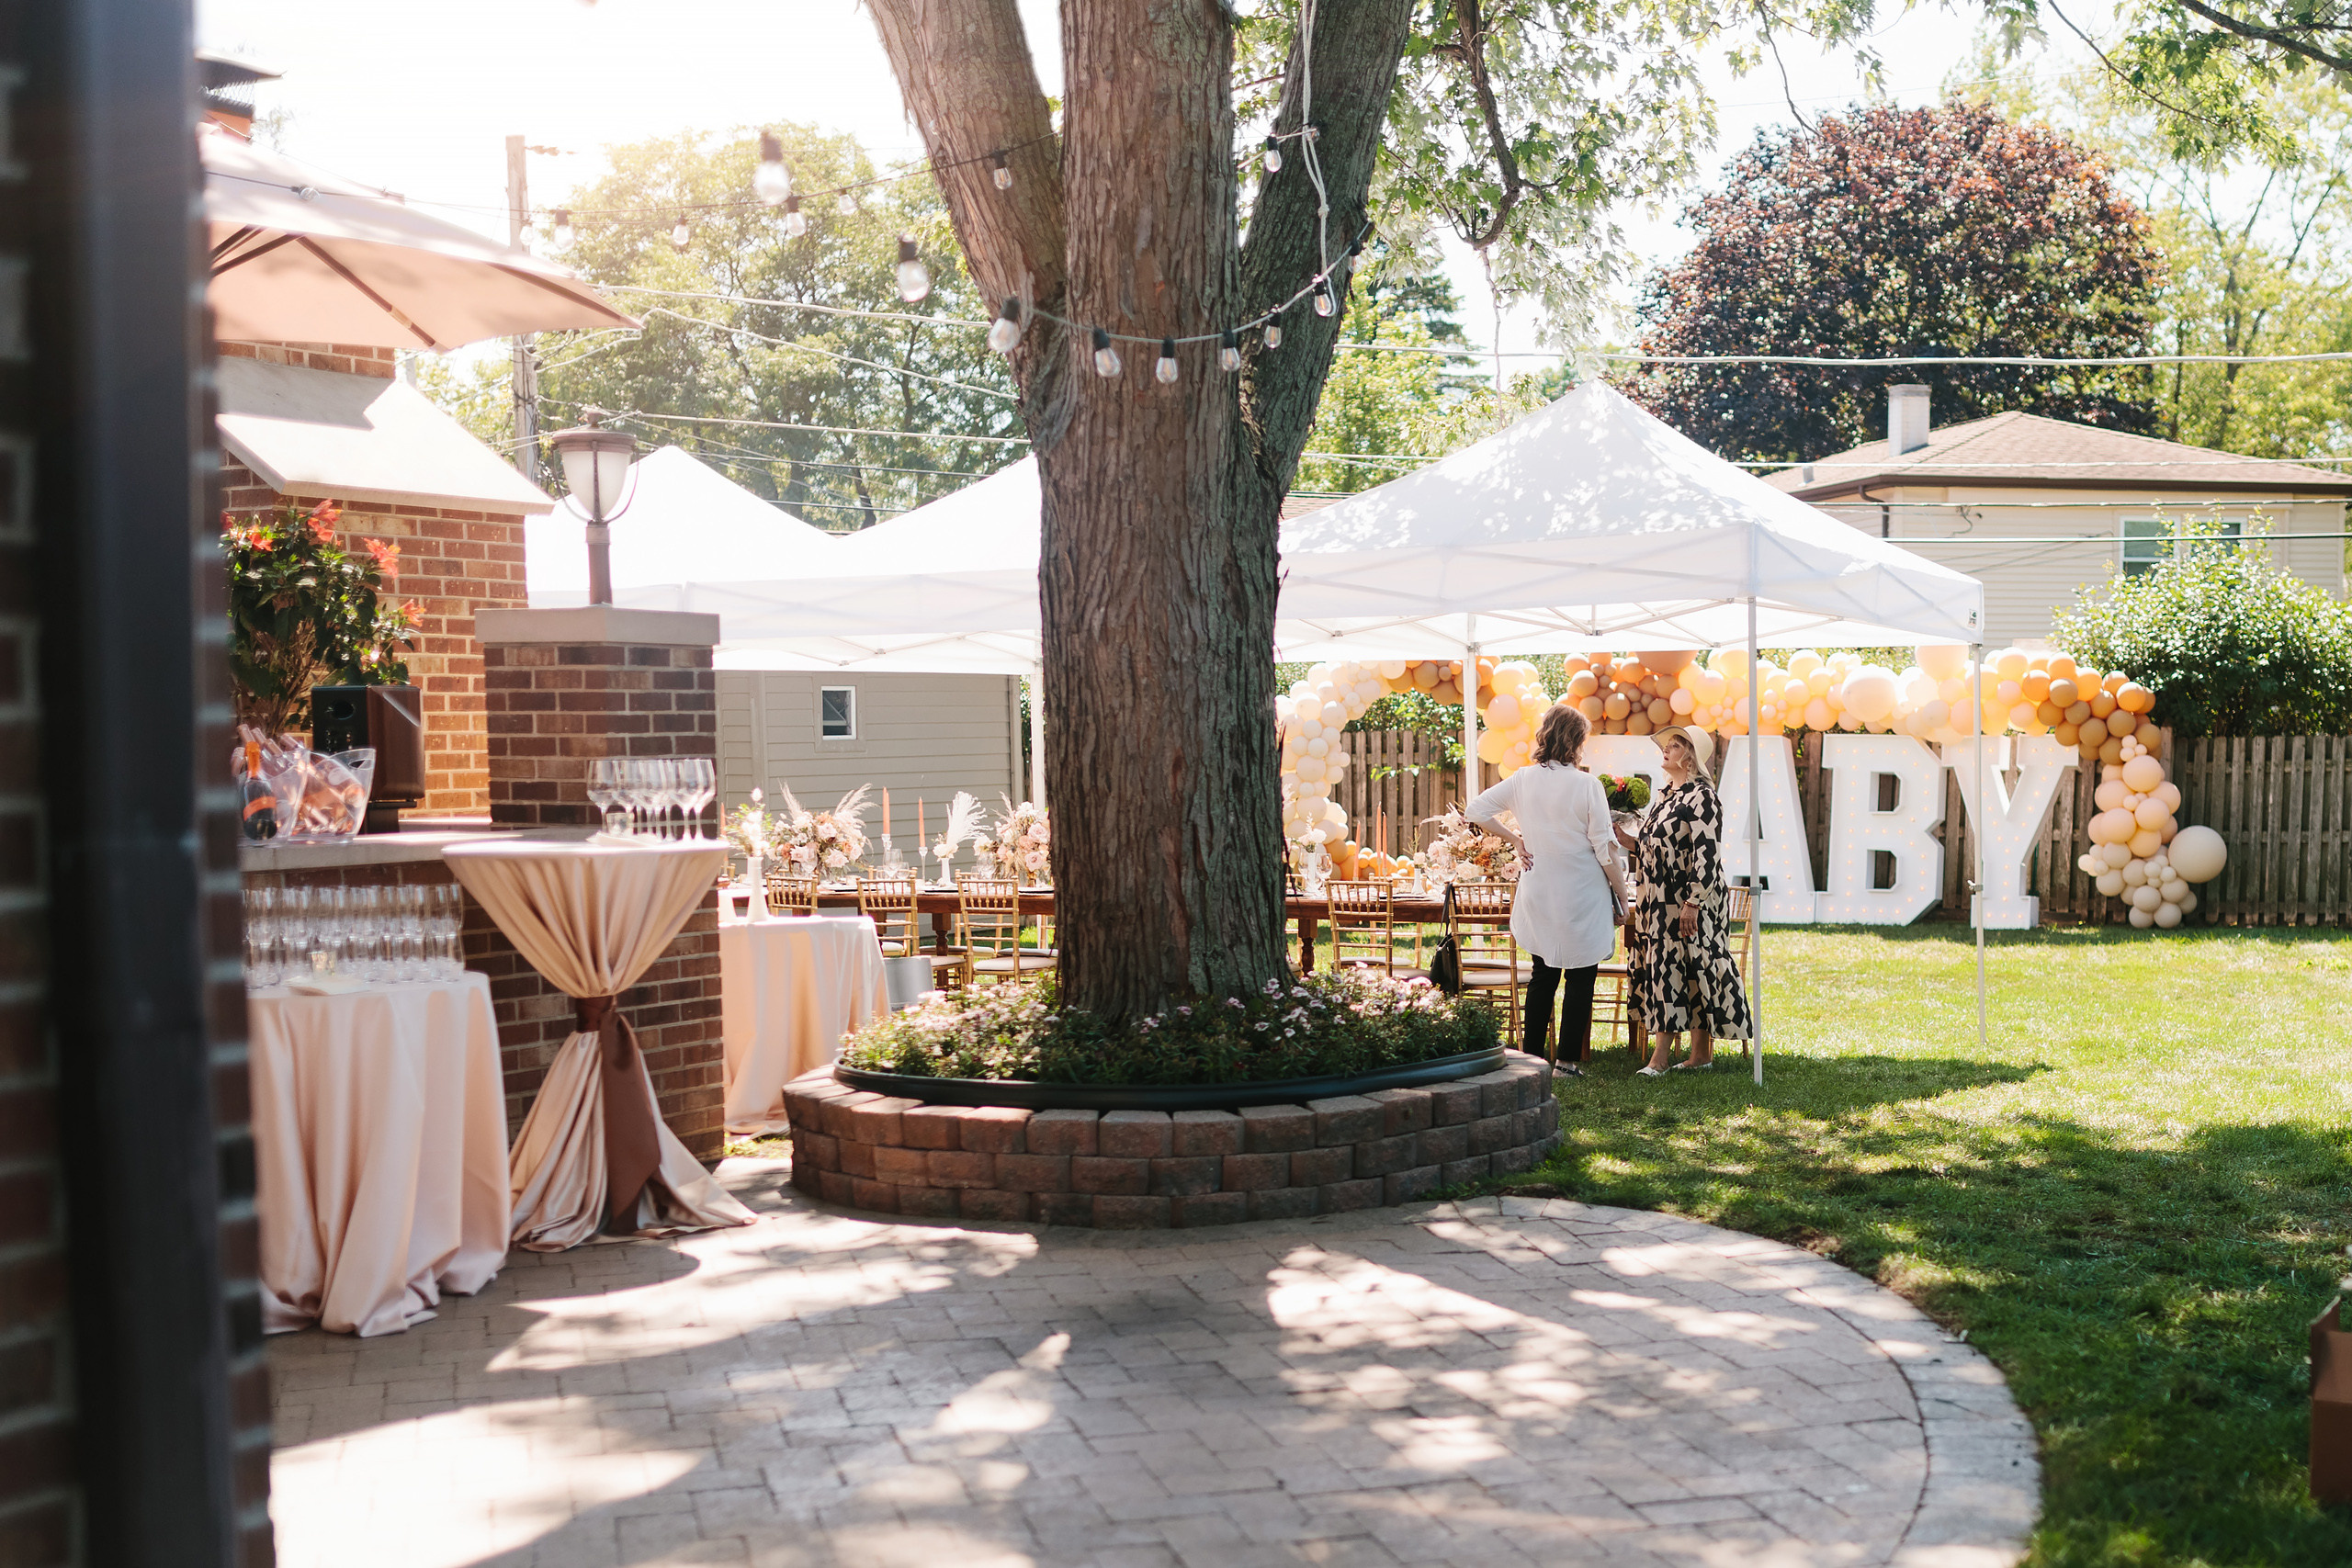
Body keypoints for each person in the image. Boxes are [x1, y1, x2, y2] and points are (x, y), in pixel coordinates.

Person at [1465, 705, 1635, 1074]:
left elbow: (1475, 810)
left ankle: (1530, 1059)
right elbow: (1605, 849)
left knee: (1542, 973)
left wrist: (1516, 839)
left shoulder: (1523, 779)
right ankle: (1567, 1062)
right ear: (1576, 741)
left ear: (1546, 734)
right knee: (1581, 975)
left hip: (1540, 886)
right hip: (1583, 891)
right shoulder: (1587, 784)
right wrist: (1622, 896)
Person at [1624, 724, 1751, 1076]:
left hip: (1689, 900)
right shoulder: (1666, 794)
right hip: (1657, 900)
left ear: (1691, 756)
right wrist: (1627, 839)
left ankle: (1659, 1059)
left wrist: (1693, 901)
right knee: (1683, 973)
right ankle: (1700, 1057)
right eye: (1668, 743)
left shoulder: (1702, 796)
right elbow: (1658, 845)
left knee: (1678, 971)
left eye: (1677, 744)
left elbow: (1707, 854)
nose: (1668, 748)